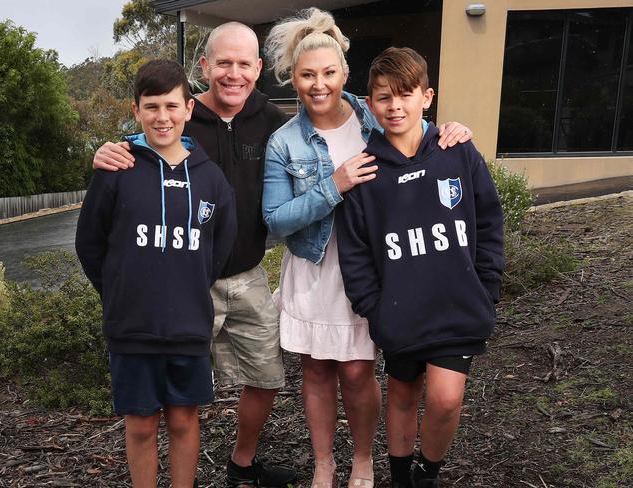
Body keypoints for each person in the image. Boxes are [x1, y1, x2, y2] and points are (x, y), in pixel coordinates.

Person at [261, 9, 474, 488]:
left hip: (378, 264)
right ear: (293, 79)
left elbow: (414, 125)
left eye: (329, 73)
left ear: (344, 75)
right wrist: (332, 186)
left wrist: (452, 131)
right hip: (315, 266)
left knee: (358, 373)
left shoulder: (371, 115)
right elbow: (274, 220)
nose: (319, 85)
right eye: (307, 75)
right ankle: (323, 464)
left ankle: (362, 459)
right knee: (315, 372)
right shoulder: (284, 142)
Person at [91, 23, 296, 488]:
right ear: (204, 68)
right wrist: (106, 150)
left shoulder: (273, 122)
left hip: (237, 275)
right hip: (164, 294)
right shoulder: (173, 119)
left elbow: (331, 123)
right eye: (223, 62)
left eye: (245, 63)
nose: (233, 73)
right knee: (155, 412)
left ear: (259, 69)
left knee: (258, 380)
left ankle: (242, 464)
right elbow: (142, 145)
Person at [336, 47, 504, 488]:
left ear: (426, 97)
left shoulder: (456, 152)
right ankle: (400, 478)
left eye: (405, 95)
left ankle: (427, 473)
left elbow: (489, 221)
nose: (395, 107)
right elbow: (354, 254)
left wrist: (487, 286)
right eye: (384, 98)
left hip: (457, 308)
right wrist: (377, 310)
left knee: (446, 400)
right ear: (370, 105)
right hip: (401, 315)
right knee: (403, 396)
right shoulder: (364, 174)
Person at [76, 59, 238, 488]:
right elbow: (89, 244)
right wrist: (118, 292)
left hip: (188, 326)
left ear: (188, 109)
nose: (161, 117)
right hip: (132, 327)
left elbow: (219, 248)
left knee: (185, 420)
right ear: (136, 110)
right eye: (151, 107)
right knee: (141, 425)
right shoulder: (117, 171)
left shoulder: (211, 179)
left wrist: (187, 286)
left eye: (171, 106)